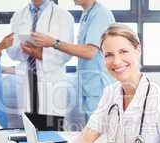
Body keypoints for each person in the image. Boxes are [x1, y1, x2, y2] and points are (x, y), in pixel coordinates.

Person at [48, 24, 160, 143]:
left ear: (138, 50)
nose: (116, 61)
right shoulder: (110, 93)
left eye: (123, 51)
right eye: (109, 55)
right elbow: (89, 133)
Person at [31, 0, 115, 129]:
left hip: (99, 86)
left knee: (100, 134)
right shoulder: (87, 14)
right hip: (90, 86)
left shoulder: (100, 15)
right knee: (92, 132)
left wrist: (54, 43)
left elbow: (89, 52)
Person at [7, 0, 74, 117]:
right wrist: (23, 49)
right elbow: (11, 52)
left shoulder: (63, 16)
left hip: (51, 82)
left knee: (51, 128)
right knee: (29, 128)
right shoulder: (18, 16)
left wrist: (40, 54)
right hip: (27, 79)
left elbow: (67, 53)